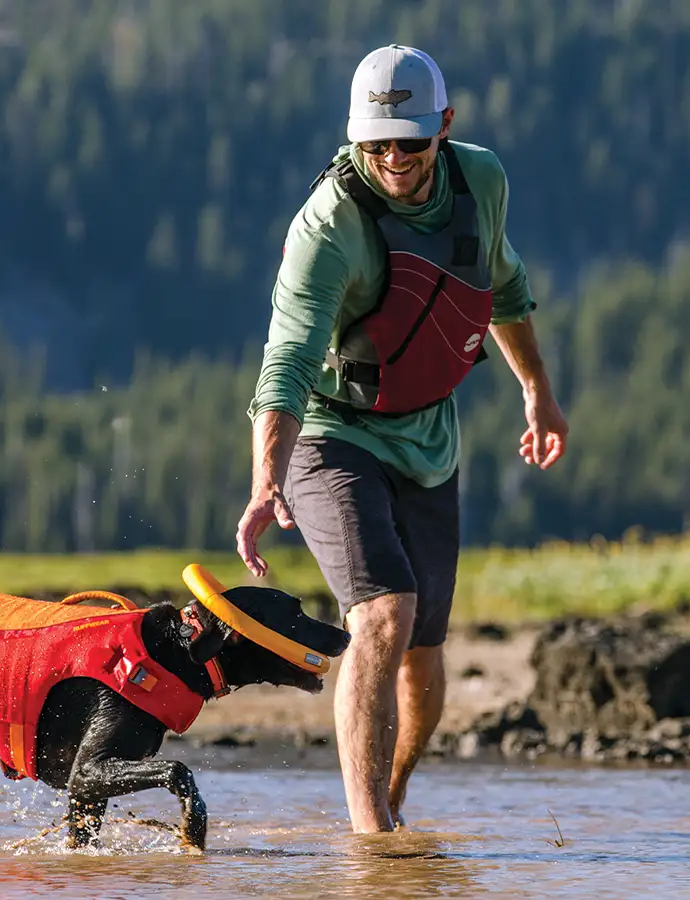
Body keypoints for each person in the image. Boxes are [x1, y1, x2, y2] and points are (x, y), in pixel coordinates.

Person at [235, 44, 568, 833]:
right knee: (383, 614)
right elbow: (282, 361)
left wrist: (537, 393)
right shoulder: (329, 226)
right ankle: (368, 840)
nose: (392, 159)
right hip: (329, 431)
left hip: (428, 438)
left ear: (444, 128)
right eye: (375, 143)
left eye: (410, 143)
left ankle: (392, 801)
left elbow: (505, 289)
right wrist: (265, 479)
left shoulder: (480, 180)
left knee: (422, 659)